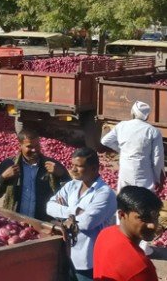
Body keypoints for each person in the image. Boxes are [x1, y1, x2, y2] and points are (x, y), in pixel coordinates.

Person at [101, 100, 165, 255]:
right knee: (145, 206)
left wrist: (123, 150)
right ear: (147, 115)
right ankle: (143, 244)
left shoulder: (122, 126)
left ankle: (122, 239)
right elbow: (157, 159)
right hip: (144, 173)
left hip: (126, 171)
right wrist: (158, 178)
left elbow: (104, 140)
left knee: (123, 202)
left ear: (133, 112)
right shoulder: (152, 131)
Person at [46, 148, 117, 281]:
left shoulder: (104, 193)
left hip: (87, 260)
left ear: (94, 168)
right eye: (72, 165)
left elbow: (86, 222)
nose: (73, 169)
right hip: (66, 254)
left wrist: (62, 214)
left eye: (79, 166)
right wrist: (74, 211)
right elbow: (49, 207)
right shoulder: (72, 185)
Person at [0, 128, 71, 221]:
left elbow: (71, 194)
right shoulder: (9, 164)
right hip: (15, 222)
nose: (34, 149)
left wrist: (62, 175)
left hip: (43, 224)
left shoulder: (53, 166)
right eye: (29, 146)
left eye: (37, 145)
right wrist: (3, 178)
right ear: (20, 145)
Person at [94, 186, 161, 281]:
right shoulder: (141, 268)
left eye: (156, 217)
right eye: (144, 218)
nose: (152, 225)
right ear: (121, 214)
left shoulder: (105, 233)